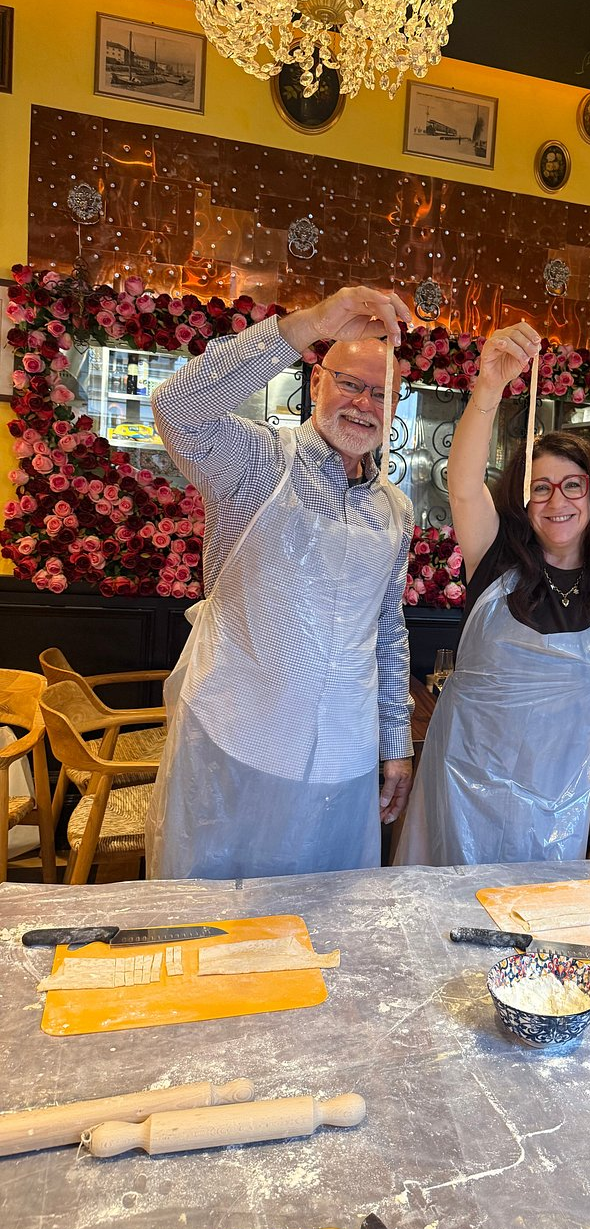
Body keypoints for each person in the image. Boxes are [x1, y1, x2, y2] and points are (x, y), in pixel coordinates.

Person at [396, 322, 590, 871]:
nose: (557, 500)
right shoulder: (496, 554)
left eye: (572, 485)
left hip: (559, 792)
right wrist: (487, 387)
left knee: (538, 924)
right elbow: (461, 484)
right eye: (540, 487)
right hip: (462, 776)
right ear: (524, 499)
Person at [146, 286, 415, 879]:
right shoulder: (254, 459)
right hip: (232, 740)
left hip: (343, 758)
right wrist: (312, 321)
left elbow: (388, 630)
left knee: (326, 926)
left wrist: (396, 741)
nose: (363, 404)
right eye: (349, 383)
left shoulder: (395, 509)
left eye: (380, 393)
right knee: (216, 926)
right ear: (317, 381)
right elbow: (178, 407)